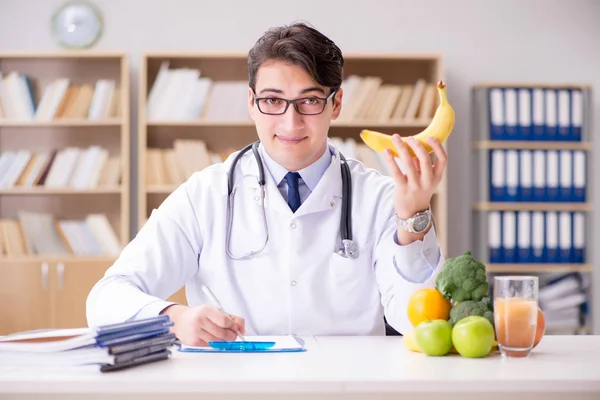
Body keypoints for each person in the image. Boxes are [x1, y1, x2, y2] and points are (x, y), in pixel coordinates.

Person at [86, 22, 448, 346]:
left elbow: (418, 323)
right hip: (236, 386)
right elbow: (106, 298)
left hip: (344, 387)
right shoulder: (206, 194)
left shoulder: (382, 198)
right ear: (251, 102)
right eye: (273, 100)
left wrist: (412, 220)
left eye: (309, 101)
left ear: (336, 104)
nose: (291, 123)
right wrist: (174, 318)